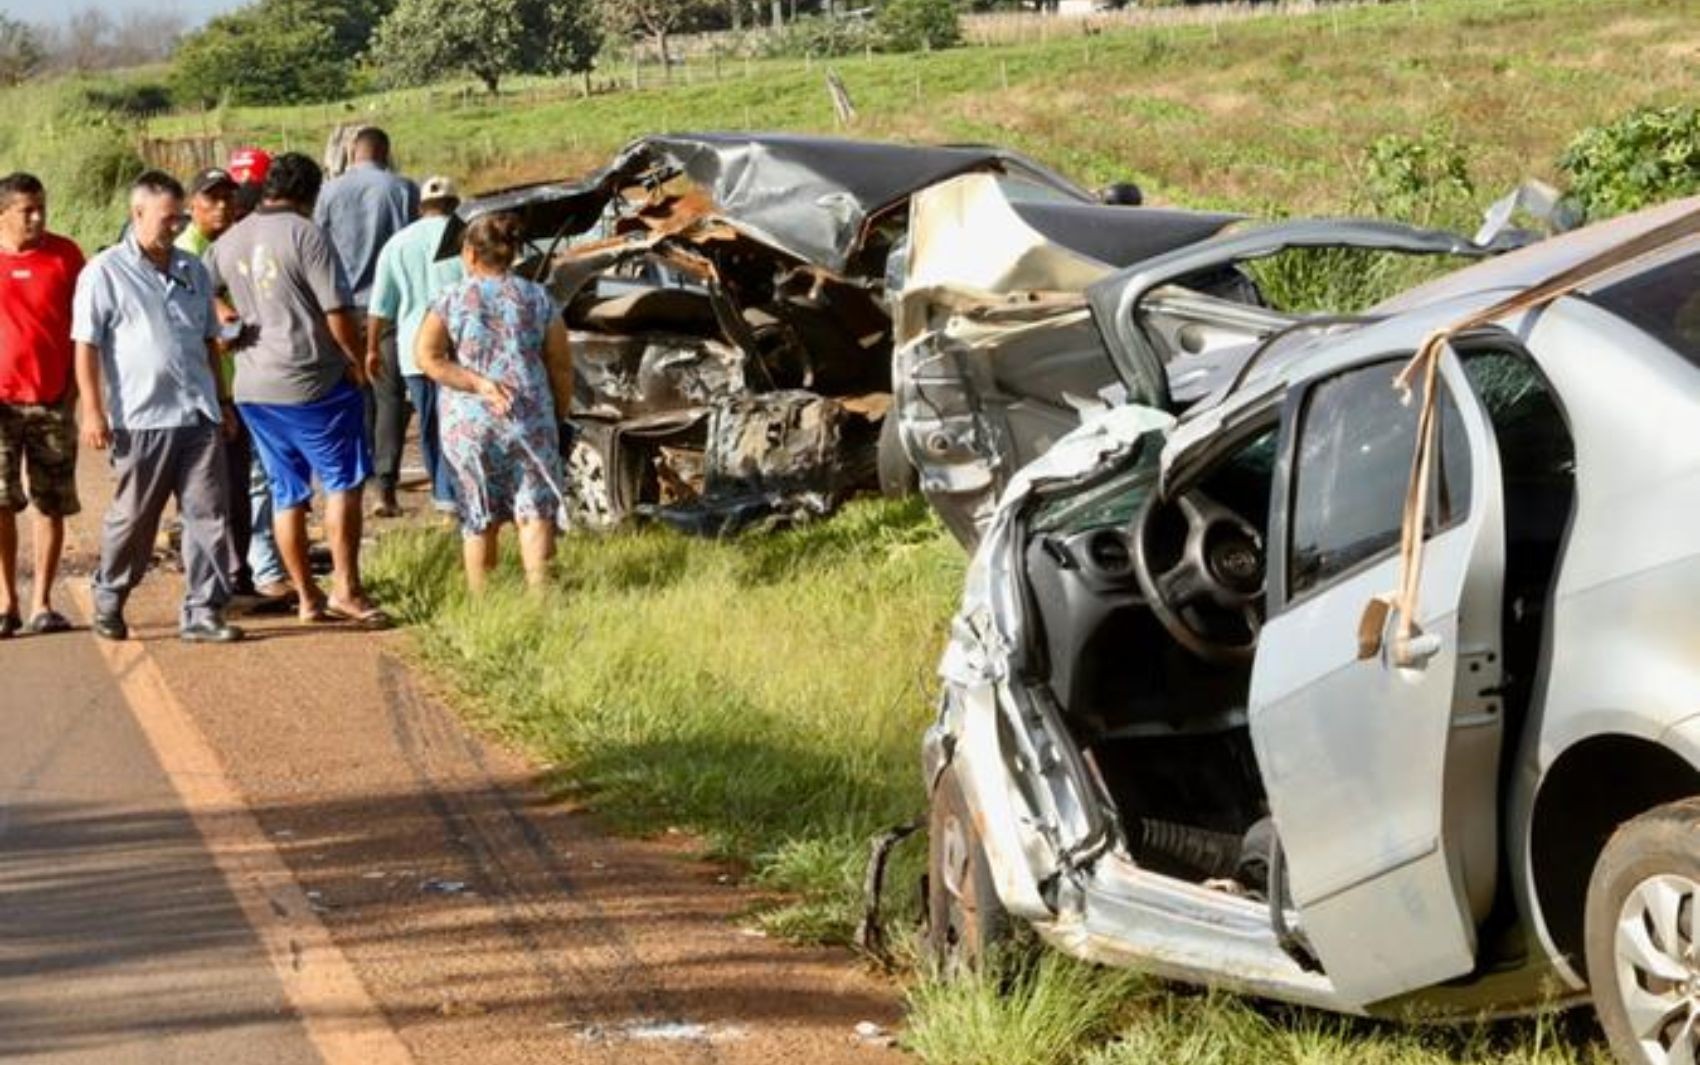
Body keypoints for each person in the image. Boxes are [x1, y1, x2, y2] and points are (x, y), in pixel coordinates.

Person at [206, 152, 389, 628]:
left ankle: (308, 597)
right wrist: (357, 360)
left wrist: (224, 314)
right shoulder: (307, 235)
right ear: (312, 193)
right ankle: (346, 590)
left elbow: (198, 285)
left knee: (287, 493)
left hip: (253, 387)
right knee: (342, 483)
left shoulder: (231, 239)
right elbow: (337, 314)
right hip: (312, 382)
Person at [73, 172, 240, 644]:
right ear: (138, 214)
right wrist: (92, 411)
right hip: (143, 418)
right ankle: (109, 596)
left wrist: (222, 401)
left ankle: (204, 611)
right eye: (166, 219)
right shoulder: (104, 273)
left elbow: (209, 339)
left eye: (179, 219)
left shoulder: (193, 269)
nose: (174, 227)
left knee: (209, 515)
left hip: (198, 415)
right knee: (135, 519)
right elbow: (85, 346)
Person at [415, 212, 572, 593]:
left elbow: (427, 357)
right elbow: (560, 364)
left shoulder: (449, 300)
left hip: (468, 423)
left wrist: (475, 382)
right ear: (514, 252)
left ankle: (484, 606)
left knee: (478, 515)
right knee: (535, 513)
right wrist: (559, 414)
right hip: (529, 417)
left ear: (470, 254)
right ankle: (541, 604)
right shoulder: (538, 299)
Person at [314, 127, 418, 518]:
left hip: (340, 307)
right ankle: (385, 487)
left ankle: (351, 482)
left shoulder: (329, 192)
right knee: (389, 394)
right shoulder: (403, 189)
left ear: (351, 154)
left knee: (349, 394)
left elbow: (317, 245)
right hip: (388, 306)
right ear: (386, 153)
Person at [0, 172, 84, 638]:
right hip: (2, 403)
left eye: (41, 207)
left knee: (50, 503)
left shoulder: (65, 254)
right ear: (4, 212)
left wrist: (75, 393)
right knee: (1, 501)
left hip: (52, 399)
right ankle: (6, 600)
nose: (36, 216)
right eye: (26, 209)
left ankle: (42, 603)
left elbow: (86, 327)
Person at [367, 174, 464, 517]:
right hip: (460, 351)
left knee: (429, 424)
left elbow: (380, 307)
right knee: (460, 422)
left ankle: (442, 493)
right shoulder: (467, 237)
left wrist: (372, 349)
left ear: (420, 207)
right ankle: (457, 491)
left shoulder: (397, 243)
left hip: (414, 352)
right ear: (455, 204)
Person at [221, 147, 292, 603]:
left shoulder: (238, 242)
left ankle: (250, 568)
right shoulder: (208, 248)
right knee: (257, 479)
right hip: (234, 384)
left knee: (258, 479)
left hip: (252, 377)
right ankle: (259, 568)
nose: (238, 209)